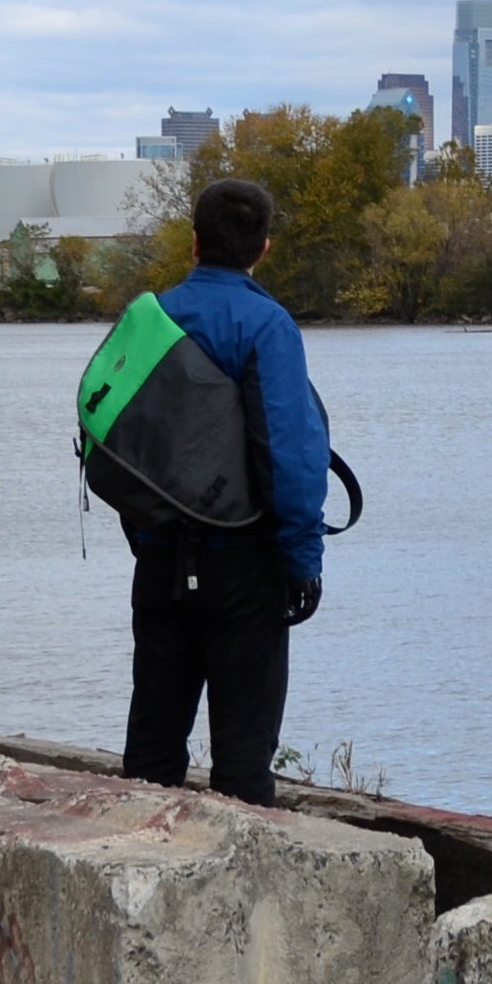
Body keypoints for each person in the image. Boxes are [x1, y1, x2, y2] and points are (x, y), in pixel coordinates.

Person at [120, 174, 331, 805]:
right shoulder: (267, 325)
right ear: (264, 247)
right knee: (242, 759)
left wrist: (147, 534)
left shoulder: (151, 318)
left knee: (152, 750)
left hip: (159, 560)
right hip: (244, 566)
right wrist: (302, 561)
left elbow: (123, 440)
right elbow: (289, 454)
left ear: (193, 243)